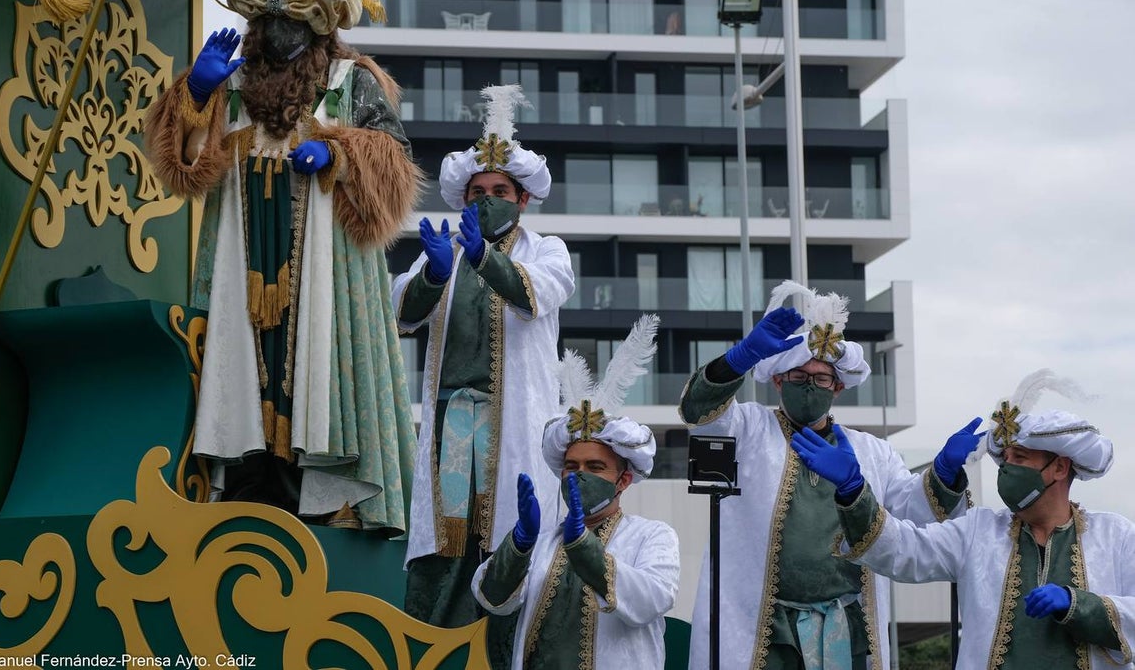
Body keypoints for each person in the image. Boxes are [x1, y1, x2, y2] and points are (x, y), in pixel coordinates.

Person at [145, 0, 421, 533]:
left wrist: (340, 156)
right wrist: (196, 90)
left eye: (292, 19)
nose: (280, 35)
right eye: (269, 19)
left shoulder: (353, 82)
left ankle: (315, 499)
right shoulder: (236, 79)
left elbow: (396, 164)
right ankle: (245, 488)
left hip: (327, 272)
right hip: (241, 251)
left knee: (318, 379)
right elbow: (184, 166)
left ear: (321, 22)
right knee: (238, 370)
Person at [679, 281, 981, 670]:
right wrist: (741, 357)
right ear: (777, 380)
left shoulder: (873, 451)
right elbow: (698, 412)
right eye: (798, 376)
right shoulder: (748, 428)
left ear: (837, 387)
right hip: (763, 629)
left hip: (849, 625)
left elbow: (913, 516)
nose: (810, 385)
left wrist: (943, 470)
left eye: (820, 379)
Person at [391, 84, 575, 661]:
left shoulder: (548, 250)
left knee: (507, 552)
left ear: (523, 199)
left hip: (514, 429)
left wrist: (482, 260)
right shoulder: (439, 249)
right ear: (462, 200)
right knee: (446, 550)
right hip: (451, 430)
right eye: (478, 192)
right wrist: (430, 275)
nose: (488, 199)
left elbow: (537, 295)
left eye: (500, 191)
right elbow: (398, 313)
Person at [798, 369, 1135, 668]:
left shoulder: (1116, 535)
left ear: (1059, 467)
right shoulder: (979, 531)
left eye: (1020, 458)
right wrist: (853, 490)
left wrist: (1081, 605)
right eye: (1004, 459)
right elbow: (901, 551)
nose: (1006, 468)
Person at [472, 314, 680, 668]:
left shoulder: (653, 536)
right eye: (571, 466)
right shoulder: (542, 541)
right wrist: (519, 544)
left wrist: (585, 549)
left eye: (595, 467)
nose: (578, 476)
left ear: (623, 480)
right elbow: (490, 598)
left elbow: (650, 600)